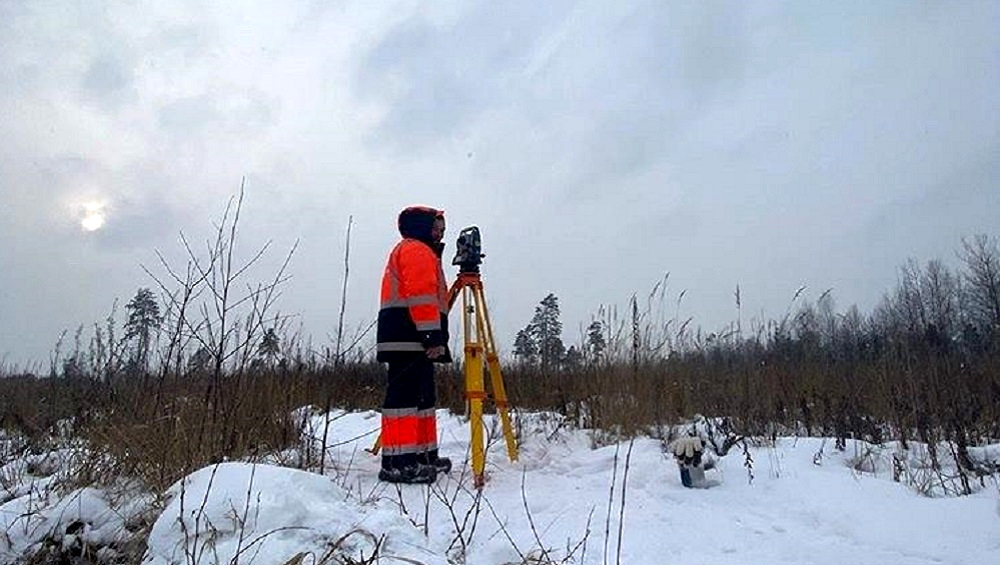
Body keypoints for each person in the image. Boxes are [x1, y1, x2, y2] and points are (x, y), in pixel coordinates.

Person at [375, 205, 454, 484]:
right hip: (408, 337)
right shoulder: (416, 250)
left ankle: (422, 456)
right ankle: (398, 463)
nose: (440, 233)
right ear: (422, 227)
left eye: (443, 229)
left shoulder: (423, 252)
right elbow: (421, 297)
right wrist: (431, 336)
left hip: (411, 337)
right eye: (436, 228)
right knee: (404, 400)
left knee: (422, 398)